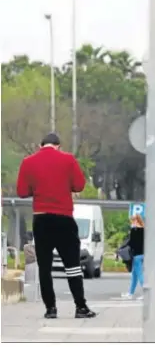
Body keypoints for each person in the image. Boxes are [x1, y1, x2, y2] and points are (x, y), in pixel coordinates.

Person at [16, 133, 96, 319]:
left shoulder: (28, 162)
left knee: (45, 266)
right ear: (58, 146)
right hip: (64, 218)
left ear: (40, 145)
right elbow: (79, 185)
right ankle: (80, 307)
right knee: (73, 265)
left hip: (41, 219)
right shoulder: (68, 160)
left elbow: (22, 191)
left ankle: (50, 309)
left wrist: (36, 189)